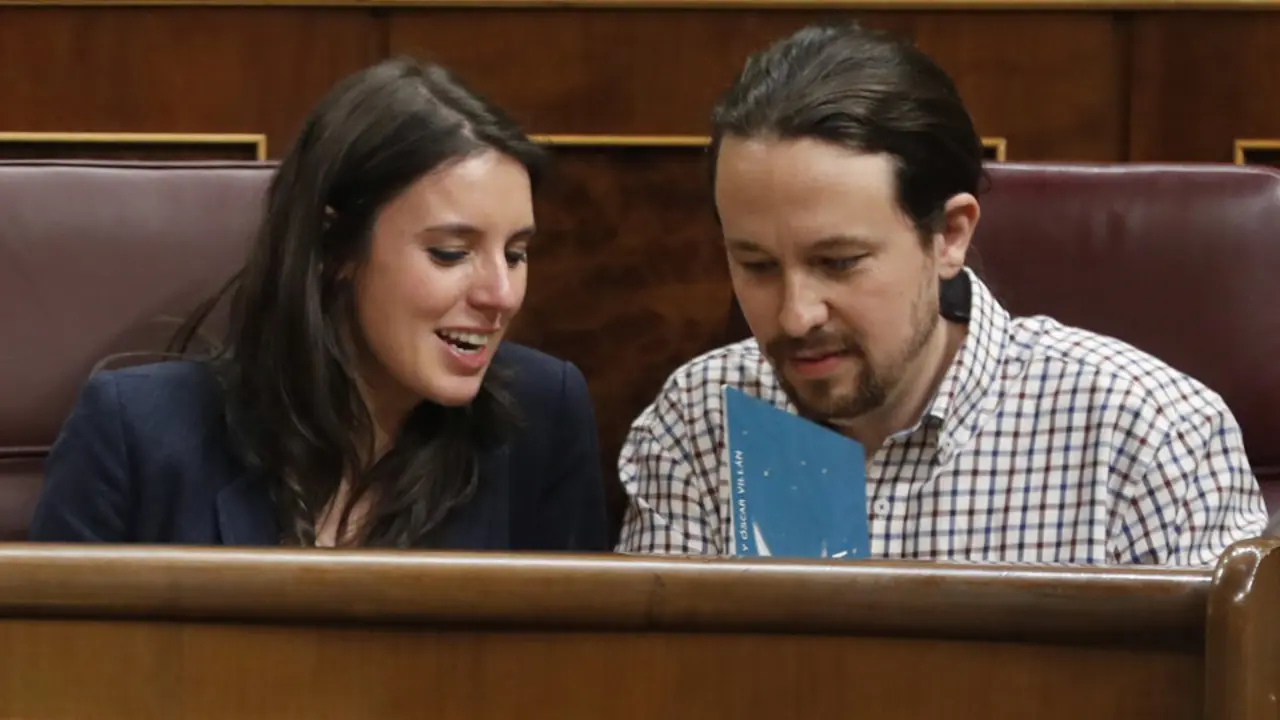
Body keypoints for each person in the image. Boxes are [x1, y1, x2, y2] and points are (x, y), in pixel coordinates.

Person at [616, 23, 1270, 565]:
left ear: (949, 235)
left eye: (839, 262)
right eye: (756, 265)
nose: (795, 314)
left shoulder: (1146, 437)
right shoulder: (698, 424)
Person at [30, 57, 609, 551]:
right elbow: (48, 672)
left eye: (515, 253)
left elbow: (577, 674)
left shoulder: (544, 419)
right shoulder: (136, 434)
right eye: (451, 253)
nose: (500, 296)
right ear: (334, 246)